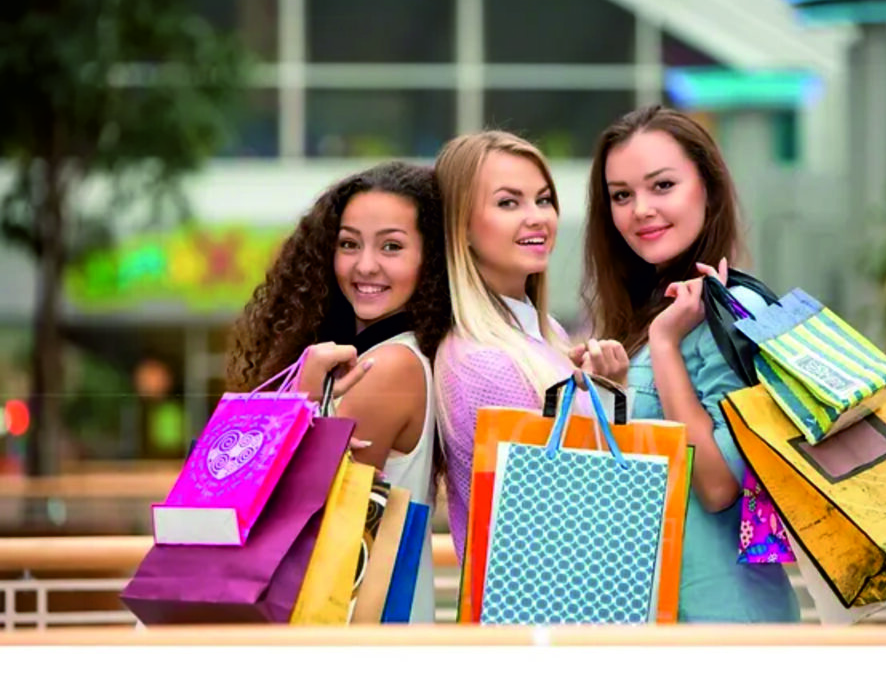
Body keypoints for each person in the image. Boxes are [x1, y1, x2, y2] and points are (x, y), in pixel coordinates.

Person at [581, 105, 799, 623]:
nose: (640, 210)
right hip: (658, 619)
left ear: (708, 187)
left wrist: (663, 344)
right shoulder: (651, 309)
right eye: (621, 195)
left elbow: (719, 485)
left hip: (723, 624)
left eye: (662, 186)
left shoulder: (736, 314)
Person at [226, 160, 452, 623]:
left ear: (430, 260)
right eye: (349, 244)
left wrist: (301, 402)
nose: (364, 265)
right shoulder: (389, 355)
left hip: (360, 634)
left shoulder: (387, 365)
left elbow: (303, 514)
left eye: (392, 246)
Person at [431, 130, 629, 564]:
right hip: (539, 620)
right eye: (508, 203)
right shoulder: (485, 363)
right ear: (460, 226)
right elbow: (565, 513)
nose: (537, 217)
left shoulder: (539, 333)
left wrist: (601, 389)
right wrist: (609, 404)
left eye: (543, 199)